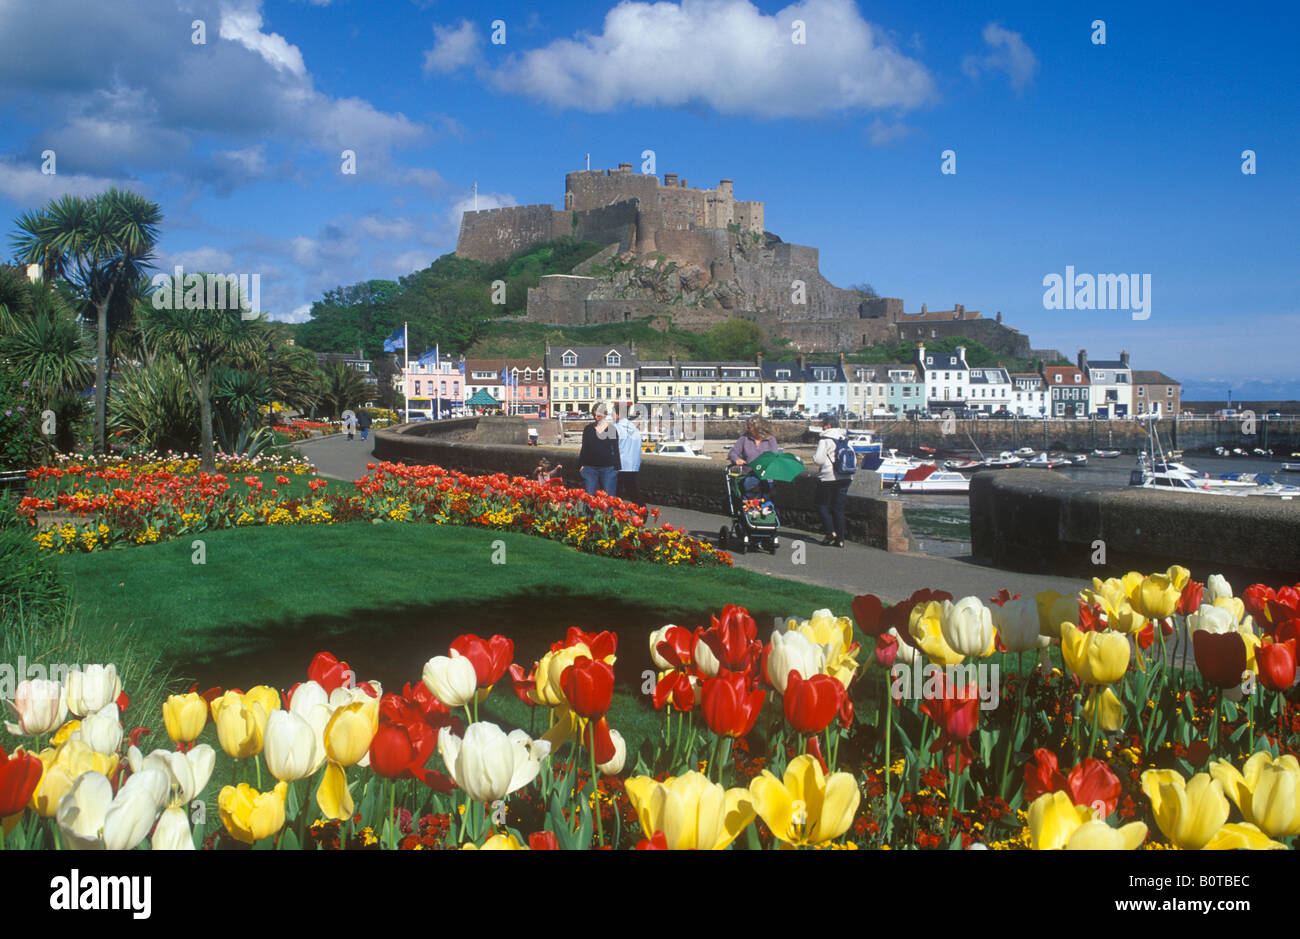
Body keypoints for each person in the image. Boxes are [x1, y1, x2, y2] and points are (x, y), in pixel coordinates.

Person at [813, 416, 849, 547]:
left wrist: (813, 456)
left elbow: (819, 460)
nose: (822, 427)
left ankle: (830, 532)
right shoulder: (844, 437)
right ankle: (840, 540)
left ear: (828, 426)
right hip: (845, 477)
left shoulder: (825, 439)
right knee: (839, 508)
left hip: (828, 477)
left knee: (821, 505)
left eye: (823, 425)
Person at [728, 417, 781, 498]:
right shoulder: (744, 439)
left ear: (758, 428)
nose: (747, 429)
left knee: (766, 502)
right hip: (749, 476)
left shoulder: (771, 440)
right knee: (750, 490)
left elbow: (774, 457)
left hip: (766, 477)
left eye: (749, 427)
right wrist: (736, 459)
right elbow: (732, 453)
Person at [578, 403, 620, 497]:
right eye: (594, 415)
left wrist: (617, 467)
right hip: (589, 469)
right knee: (589, 499)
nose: (596, 417)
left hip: (608, 469)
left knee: (609, 499)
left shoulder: (612, 429)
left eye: (599, 415)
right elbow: (584, 448)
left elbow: (615, 449)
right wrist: (581, 465)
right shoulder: (588, 429)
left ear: (605, 414)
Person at [612, 404, 643, 505]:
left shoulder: (615, 428)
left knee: (615, 494)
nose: (611, 416)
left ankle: (616, 516)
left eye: (613, 413)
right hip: (633, 465)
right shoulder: (634, 428)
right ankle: (642, 511)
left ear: (618, 415)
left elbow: (613, 448)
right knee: (634, 491)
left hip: (620, 465)